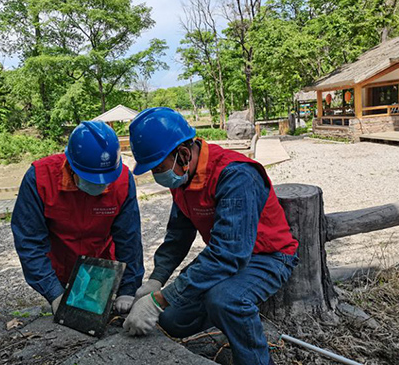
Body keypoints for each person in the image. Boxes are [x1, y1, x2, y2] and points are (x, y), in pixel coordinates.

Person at [123, 107, 298, 365]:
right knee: (173, 320)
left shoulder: (235, 175)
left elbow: (229, 253)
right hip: (228, 255)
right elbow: (178, 235)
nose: (157, 176)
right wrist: (156, 281)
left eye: (158, 167)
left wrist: (158, 301)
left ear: (183, 154)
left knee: (225, 299)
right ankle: (228, 315)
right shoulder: (183, 177)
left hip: (268, 256)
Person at [12, 121, 144, 315]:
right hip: (59, 270)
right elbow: (29, 241)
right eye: (91, 179)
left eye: (105, 179)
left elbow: (129, 238)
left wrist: (128, 289)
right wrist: (54, 293)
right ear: (71, 166)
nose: (100, 185)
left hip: (102, 269)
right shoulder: (40, 178)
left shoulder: (122, 181)